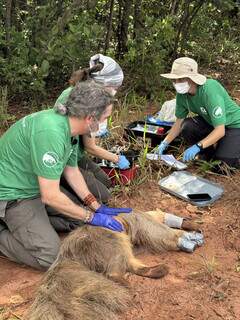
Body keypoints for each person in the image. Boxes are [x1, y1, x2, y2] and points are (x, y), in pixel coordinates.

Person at [0, 81, 132, 270]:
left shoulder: (69, 128)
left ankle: (33, 224)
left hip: (35, 187)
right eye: (105, 118)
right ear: (90, 118)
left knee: (79, 220)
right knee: (51, 257)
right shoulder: (51, 133)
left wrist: (95, 207)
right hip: (13, 195)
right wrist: (90, 216)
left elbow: (72, 171)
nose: (105, 123)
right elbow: (51, 196)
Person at [55, 53, 130, 203]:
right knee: (103, 196)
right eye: (114, 87)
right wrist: (117, 158)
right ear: (103, 83)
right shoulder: (83, 99)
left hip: (75, 151)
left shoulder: (87, 92)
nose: (115, 90)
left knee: (105, 181)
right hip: (62, 154)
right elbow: (91, 147)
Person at [157, 57, 240, 169]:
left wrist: (197, 146)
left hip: (233, 125)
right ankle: (207, 153)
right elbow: (178, 123)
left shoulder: (209, 90)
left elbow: (220, 130)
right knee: (187, 126)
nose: (176, 83)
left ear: (192, 78)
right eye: (174, 80)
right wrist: (164, 142)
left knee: (222, 167)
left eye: (181, 79)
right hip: (211, 122)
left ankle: (232, 150)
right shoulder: (182, 94)